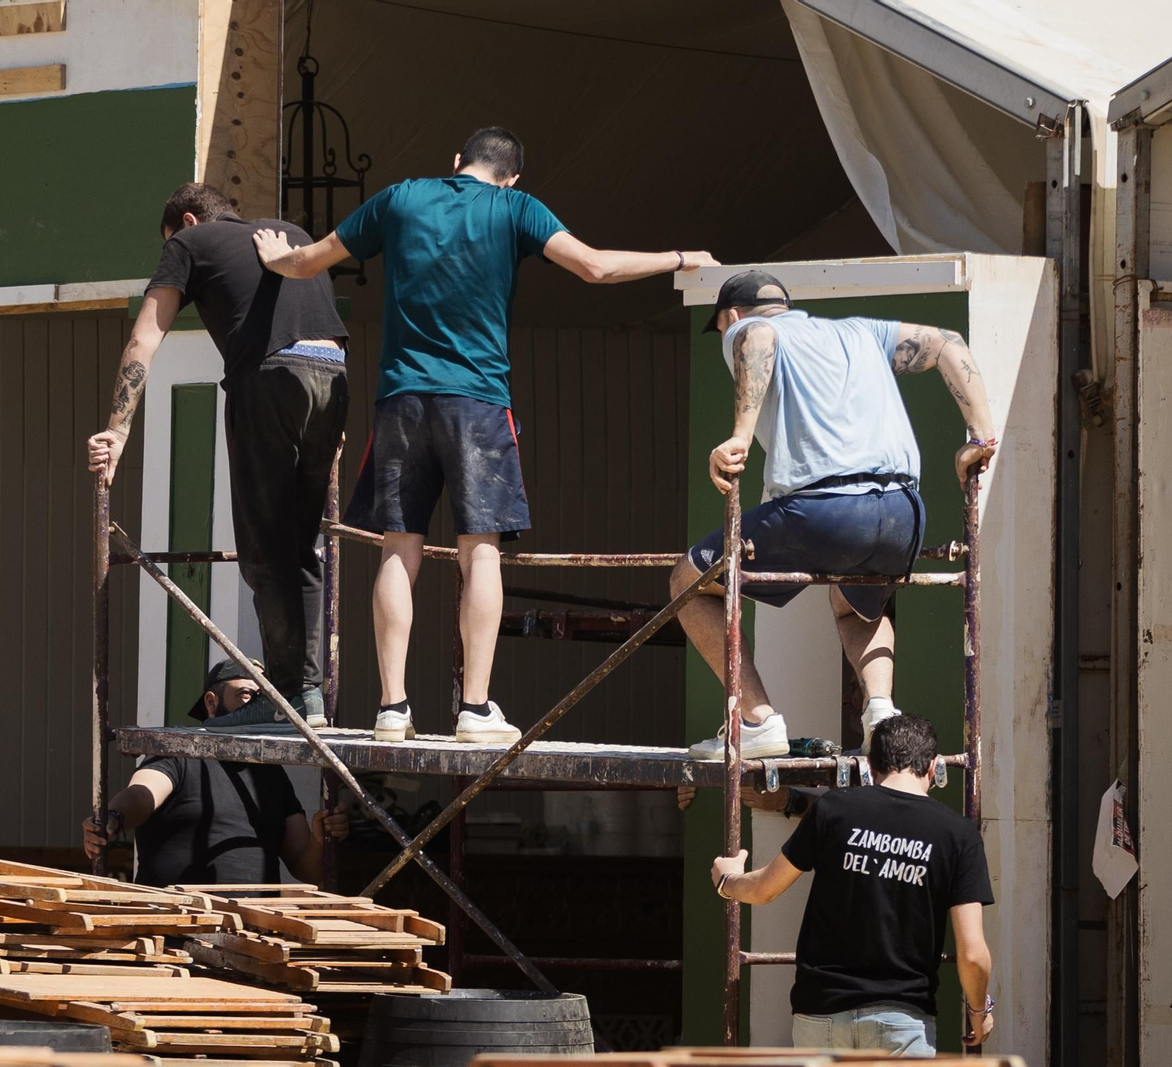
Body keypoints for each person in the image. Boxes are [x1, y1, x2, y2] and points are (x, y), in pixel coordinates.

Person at [253, 126, 717, 744]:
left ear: (455, 162)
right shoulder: (515, 208)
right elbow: (596, 268)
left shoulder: (399, 198)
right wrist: (682, 258)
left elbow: (307, 262)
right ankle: (474, 710)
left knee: (399, 548)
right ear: (513, 176)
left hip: (402, 400)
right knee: (481, 551)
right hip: (477, 403)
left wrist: (272, 255)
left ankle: (392, 709)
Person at [673, 270, 997, 760]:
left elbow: (757, 336)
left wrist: (739, 435)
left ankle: (756, 721)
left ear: (730, 316)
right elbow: (947, 342)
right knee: (858, 605)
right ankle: (882, 716)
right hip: (902, 513)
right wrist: (980, 437)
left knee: (688, 582)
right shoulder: (861, 332)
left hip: (824, 507)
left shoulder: (748, 328)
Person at [87, 182, 349, 731]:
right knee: (301, 546)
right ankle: (308, 695)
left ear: (187, 219)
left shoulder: (189, 241)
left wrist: (118, 429)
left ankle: (287, 695)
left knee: (261, 549)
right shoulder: (290, 234)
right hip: (333, 375)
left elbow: (144, 339)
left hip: (270, 378)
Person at [710, 714, 995, 1054]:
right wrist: (979, 1011)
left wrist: (727, 879)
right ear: (933, 767)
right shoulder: (958, 835)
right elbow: (973, 953)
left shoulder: (833, 809)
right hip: (902, 1023)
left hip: (821, 1016)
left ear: (872, 765)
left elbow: (763, 890)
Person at [81, 659, 350, 886]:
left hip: (253, 934)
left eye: (264, 700)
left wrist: (320, 841)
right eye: (246, 695)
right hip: (175, 930)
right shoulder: (181, 752)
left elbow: (308, 869)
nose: (257, 707)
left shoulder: (272, 773)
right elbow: (142, 793)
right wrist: (113, 816)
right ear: (211, 702)